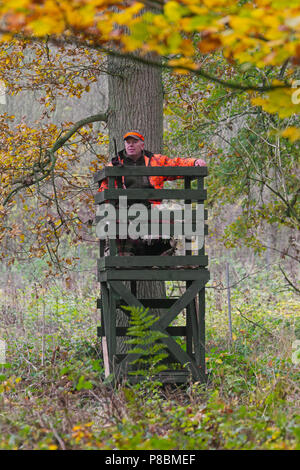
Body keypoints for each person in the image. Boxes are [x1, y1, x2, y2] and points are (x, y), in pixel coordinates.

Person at [98, 130, 206, 257]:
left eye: (134, 142)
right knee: (118, 221)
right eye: (128, 142)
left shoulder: (155, 160)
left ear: (142, 145)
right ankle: (125, 256)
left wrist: (194, 163)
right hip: (125, 208)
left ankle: (162, 254)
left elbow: (175, 164)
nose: (130, 145)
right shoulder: (114, 164)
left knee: (168, 216)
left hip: (151, 206)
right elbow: (103, 189)